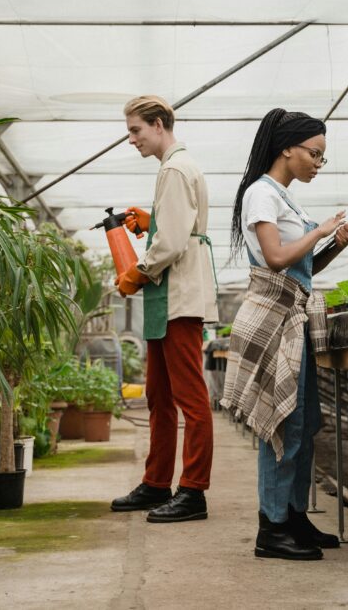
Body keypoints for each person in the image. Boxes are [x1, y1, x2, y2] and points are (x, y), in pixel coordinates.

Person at [221, 108, 348, 560]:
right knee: (280, 423)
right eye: (315, 154)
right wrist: (318, 230)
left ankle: (294, 516)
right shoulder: (262, 193)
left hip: (293, 314)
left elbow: (303, 268)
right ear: (287, 149)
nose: (318, 163)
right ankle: (272, 527)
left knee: (304, 421)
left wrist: (331, 246)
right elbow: (276, 258)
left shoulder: (284, 196)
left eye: (323, 157)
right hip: (276, 319)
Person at [110, 95, 219, 523]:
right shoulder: (174, 168)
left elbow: (172, 243)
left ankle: (193, 491)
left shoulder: (174, 169)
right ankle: (156, 483)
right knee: (158, 395)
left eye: (136, 130)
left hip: (178, 298)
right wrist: (150, 217)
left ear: (158, 124)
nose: (131, 139)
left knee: (191, 400)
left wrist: (136, 273)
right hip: (168, 299)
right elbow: (176, 225)